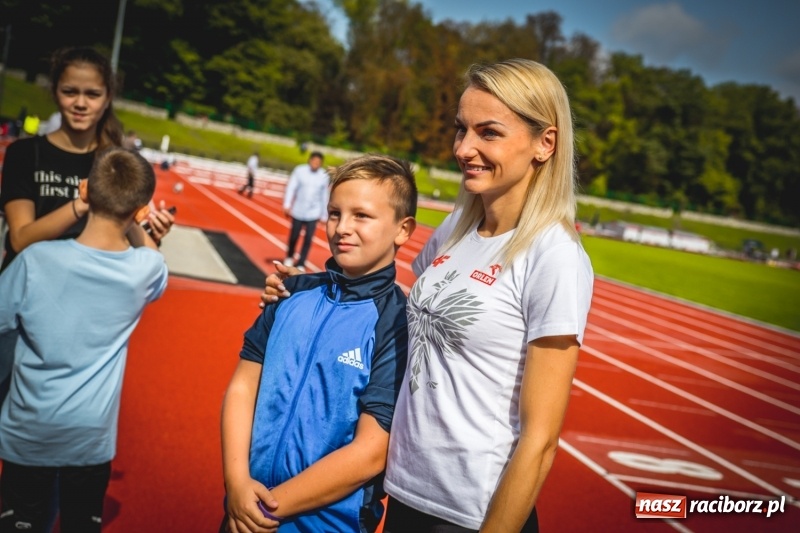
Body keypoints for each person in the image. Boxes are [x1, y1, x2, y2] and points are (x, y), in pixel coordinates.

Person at [264, 58, 594, 532]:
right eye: (461, 130)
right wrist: (309, 290)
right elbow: (409, 313)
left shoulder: (554, 254)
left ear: (545, 143)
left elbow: (540, 440)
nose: (465, 148)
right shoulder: (455, 231)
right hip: (406, 493)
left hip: (472, 514)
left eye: (489, 133)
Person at [220, 154, 417, 533]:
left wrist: (266, 508)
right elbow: (243, 387)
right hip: (241, 509)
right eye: (334, 213)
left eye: (362, 216)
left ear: (403, 229)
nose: (342, 227)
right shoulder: (290, 293)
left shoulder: (397, 324)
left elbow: (370, 452)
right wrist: (236, 482)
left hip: (320, 524)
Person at [0, 147, 169, 533]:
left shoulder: (35, 260)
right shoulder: (146, 269)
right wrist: (138, 223)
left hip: (28, 431)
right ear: (142, 212)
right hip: (89, 439)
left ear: (84, 190)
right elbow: (154, 256)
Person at [0, 46, 175, 272]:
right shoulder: (24, 153)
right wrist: (82, 204)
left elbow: (145, 255)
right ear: (54, 91)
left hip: (82, 291)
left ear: (108, 97)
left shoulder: (114, 162)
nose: (80, 103)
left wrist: (151, 236)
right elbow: (20, 239)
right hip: (25, 293)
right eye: (70, 91)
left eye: (93, 94)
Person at [282, 151, 329, 270]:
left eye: (318, 162)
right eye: (314, 161)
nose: (315, 163)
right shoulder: (300, 171)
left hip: (313, 212)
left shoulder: (324, 175)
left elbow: (325, 196)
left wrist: (324, 215)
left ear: (321, 163)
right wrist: (287, 204)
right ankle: (289, 256)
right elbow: (291, 188)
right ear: (310, 160)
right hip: (298, 210)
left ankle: (301, 262)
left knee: (308, 239)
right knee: (294, 236)